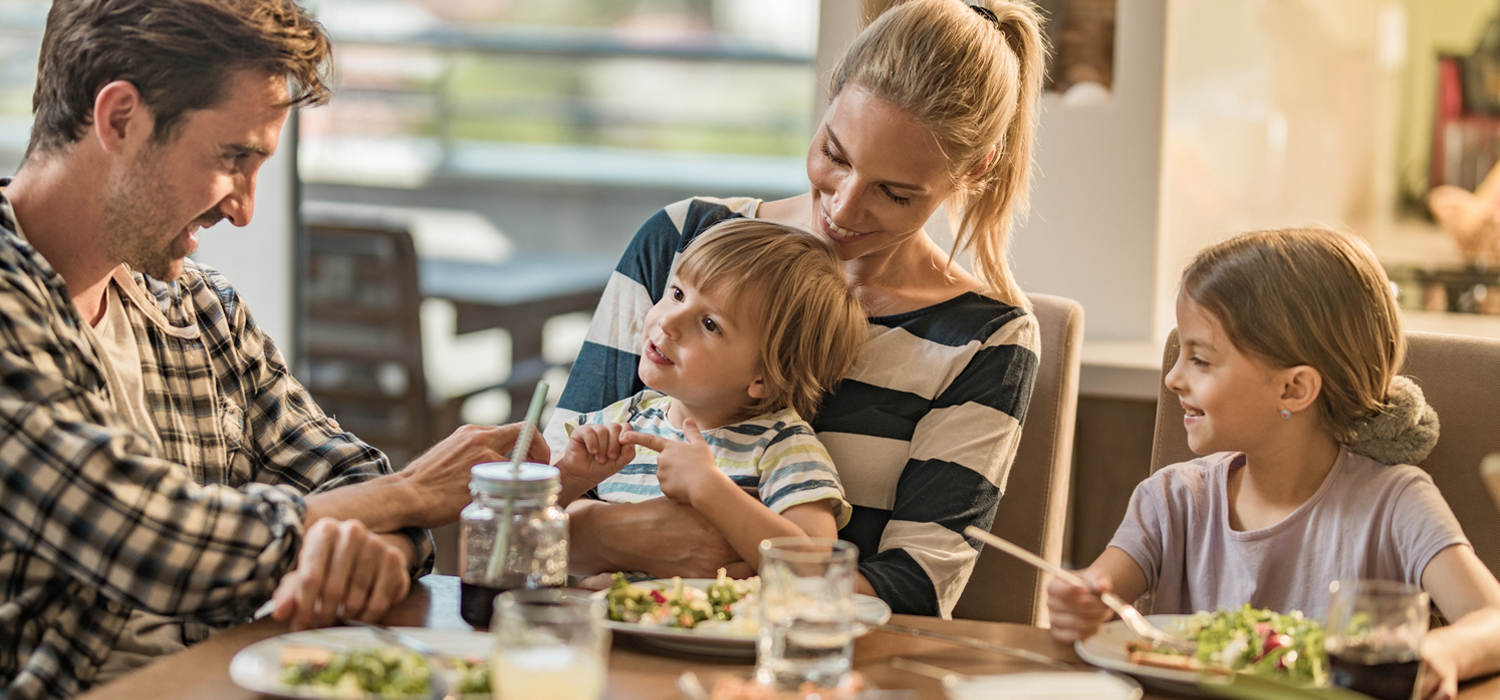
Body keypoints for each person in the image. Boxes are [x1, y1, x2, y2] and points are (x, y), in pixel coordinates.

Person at [0, 2, 542, 697]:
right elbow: (155, 538)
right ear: (120, 119)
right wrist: (407, 493)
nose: (244, 208)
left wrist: (363, 544)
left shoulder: (202, 309)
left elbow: (352, 480)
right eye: (234, 158)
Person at [550, 0, 1045, 617]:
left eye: (894, 193)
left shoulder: (984, 338)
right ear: (830, 97)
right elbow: (531, 496)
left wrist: (716, 588)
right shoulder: (685, 241)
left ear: (975, 171)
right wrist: (619, 536)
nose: (843, 207)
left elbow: (915, 591)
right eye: (834, 155)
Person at [1045, 228, 1500, 699]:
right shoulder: (1171, 499)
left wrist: (1443, 652)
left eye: (1200, 359)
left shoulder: (1395, 502)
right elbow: (1100, 591)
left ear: (1294, 389)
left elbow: (1493, 621)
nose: (1173, 378)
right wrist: (1079, 601)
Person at [548, 219, 865, 569]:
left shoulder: (781, 446)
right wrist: (572, 477)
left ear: (765, 378)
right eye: (677, 293)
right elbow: (520, 534)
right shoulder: (617, 422)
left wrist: (710, 489)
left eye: (710, 324)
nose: (668, 322)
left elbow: (817, 566)